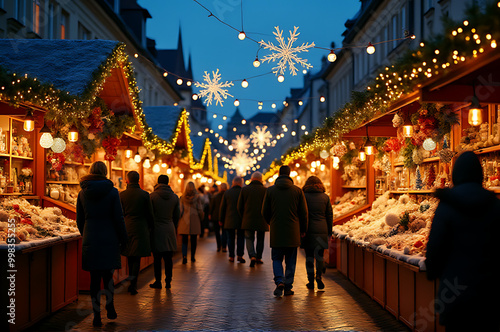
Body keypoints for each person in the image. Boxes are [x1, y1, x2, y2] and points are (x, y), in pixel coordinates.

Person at [426, 151, 500, 331]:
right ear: (480, 174)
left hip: (454, 293)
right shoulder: (495, 205)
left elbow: (435, 247)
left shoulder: (446, 206)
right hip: (489, 294)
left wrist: (432, 271)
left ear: (455, 174)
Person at [76, 161, 127, 327]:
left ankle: (96, 315)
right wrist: (123, 237)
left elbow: (79, 219)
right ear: (105, 172)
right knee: (108, 276)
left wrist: (87, 234)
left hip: (91, 236)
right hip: (109, 236)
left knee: (94, 278)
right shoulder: (113, 192)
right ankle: (110, 306)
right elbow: (119, 218)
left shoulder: (82, 193)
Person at [262, 165, 308, 296]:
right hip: (293, 232)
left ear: (279, 174)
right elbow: (303, 213)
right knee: (290, 260)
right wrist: (303, 229)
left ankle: (279, 280)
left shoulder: (270, 191)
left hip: (276, 230)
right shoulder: (297, 191)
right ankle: (288, 286)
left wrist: (271, 222)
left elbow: (264, 211)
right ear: (289, 174)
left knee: (276, 258)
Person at [120, 171, 154, 295]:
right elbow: (150, 214)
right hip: (141, 227)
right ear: (138, 180)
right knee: (137, 257)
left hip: (127, 227)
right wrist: (151, 227)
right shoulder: (145, 195)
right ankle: (133, 284)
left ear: (127, 180)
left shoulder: (122, 195)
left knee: (129, 255)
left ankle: (130, 281)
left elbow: (120, 213)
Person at [301, 176, 333, 290]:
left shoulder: (303, 197)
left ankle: (310, 281)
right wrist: (329, 231)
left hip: (308, 230)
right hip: (322, 229)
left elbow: (301, 215)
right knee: (319, 255)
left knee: (309, 256)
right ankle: (319, 276)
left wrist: (301, 230)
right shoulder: (325, 197)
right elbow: (329, 216)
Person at [149, 175, 180, 290]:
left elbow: (150, 215)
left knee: (157, 258)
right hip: (169, 228)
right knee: (168, 258)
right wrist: (173, 225)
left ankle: (158, 281)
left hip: (157, 229)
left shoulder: (152, 196)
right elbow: (177, 215)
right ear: (168, 183)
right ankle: (168, 281)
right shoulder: (175, 197)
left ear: (157, 182)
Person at [238, 171, 268, 267]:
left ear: (251, 179)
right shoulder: (265, 190)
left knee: (249, 238)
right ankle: (259, 257)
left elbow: (239, 206)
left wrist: (244, 216)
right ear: (261, 180)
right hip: (261, 219)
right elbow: (268, 206)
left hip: (248, 218)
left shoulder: (245, 190)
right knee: (260, 239)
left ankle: (252, 256)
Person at [178, 181, 204, 264]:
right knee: (194, 240)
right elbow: (200, 209)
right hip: (194, 220)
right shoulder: (197, 197)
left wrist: (179, 219)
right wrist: (201, 217)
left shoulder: (182, 197)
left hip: (184, 221)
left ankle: (184, 256)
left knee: (184, 240)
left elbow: (180, 210)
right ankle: (192, 256)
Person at [220, 176, 245, 263]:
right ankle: (240, 255)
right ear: (241, 183)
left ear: (233, 183)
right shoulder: (243, 192)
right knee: (241, 237)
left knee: (230, 238)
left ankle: (231, 256)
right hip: (241, 219)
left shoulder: (227, 192)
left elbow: (223, 207)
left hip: (229, 219)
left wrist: (221, 219)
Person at [209, 183, 227, 252]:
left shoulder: (215, 196)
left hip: (216, 216)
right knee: (224, 232)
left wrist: (210, 214)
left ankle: (218, 246)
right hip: (225, 216)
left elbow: (212, 206)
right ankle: (224, 246)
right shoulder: (227, 195)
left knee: (217, 232)